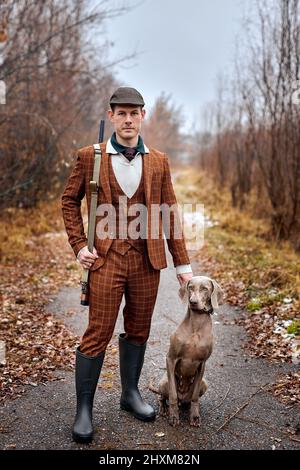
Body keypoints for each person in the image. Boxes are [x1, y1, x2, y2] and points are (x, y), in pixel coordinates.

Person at [61, 86, 193, 443]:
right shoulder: (91, 156)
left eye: (134, 113)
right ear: (112, 116)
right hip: (105, 260)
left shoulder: (158, 160)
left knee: (138, 330)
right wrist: (78, 246)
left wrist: (182, 265)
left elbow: (170, 213)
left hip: (147, 262)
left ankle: (129, 394)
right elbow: (68, 202)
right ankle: (84, 408)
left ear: (143, 116)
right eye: (121, 113)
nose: (128, 119)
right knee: (98, 332)